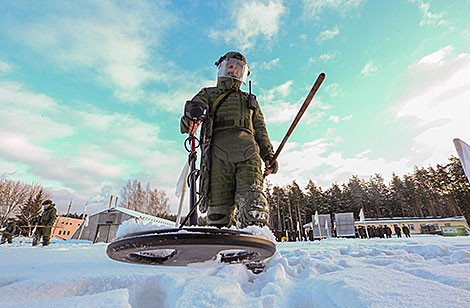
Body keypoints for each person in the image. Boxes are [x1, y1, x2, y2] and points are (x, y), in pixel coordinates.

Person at [180, 51, 278, 228]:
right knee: (218, 214)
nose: (233, 71)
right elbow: (192, 113)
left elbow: (261, 131)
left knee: (254, 205)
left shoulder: (250, 101)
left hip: (249, 155)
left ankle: (254, 243)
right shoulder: (208, 94)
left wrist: (269, 156)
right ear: (222, 69)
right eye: (230, 67)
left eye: (238, 69)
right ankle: (220, 249)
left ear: (243, 73)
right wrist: (191, 119)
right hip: (217, 158)